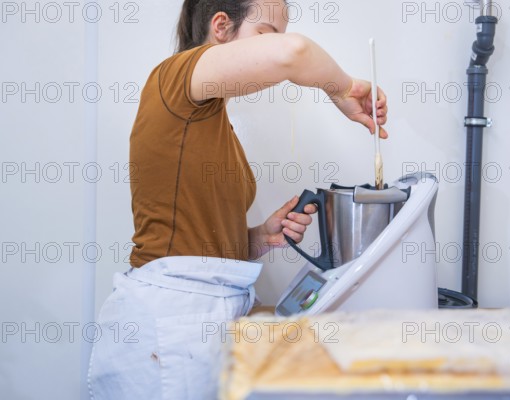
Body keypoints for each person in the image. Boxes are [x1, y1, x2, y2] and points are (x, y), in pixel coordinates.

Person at [87, 0, 388, 398]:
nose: (278, 44)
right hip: (170, 322)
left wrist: (262, 236)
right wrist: (345, 88)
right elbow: (293, 53)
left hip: (204, 315)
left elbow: (196, 244)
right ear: (222, 27)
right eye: (267, 34)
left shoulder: (211, 122)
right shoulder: (174, 77)